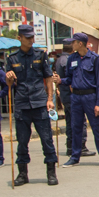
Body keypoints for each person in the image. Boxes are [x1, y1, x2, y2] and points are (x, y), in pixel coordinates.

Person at [5, 24, 58, 186]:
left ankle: (51, 173)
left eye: (32, 37)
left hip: (39, 102)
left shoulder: (40, 55)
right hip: (22, 104)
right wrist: (8, 78)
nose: (31, 40)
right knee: (22, 141)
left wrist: (50, 99)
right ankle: (22, 174)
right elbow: (8, 84)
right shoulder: (12, 58)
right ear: (19, 38)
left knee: (46, 139)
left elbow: (48, 78)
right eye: (27, 38)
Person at [53, 33, 99, 168]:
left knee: (97, 128)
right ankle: (74, 157)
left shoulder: (95, 59)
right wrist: (60, 80)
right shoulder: (72, 59)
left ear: (80, 43)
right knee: (76, 128)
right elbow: (69, 78)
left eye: (73, 42)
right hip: (76, 98)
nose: (71, 44)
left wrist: (98, 104)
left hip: (90, 97)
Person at [55, 43, 94, 158]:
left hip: (64, 96)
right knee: (79, 121)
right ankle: (81, 146)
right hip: (72, 96)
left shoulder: (59, 60)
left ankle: (70, 146)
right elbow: (72, 79)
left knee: (69, 121)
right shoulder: (68, 60)